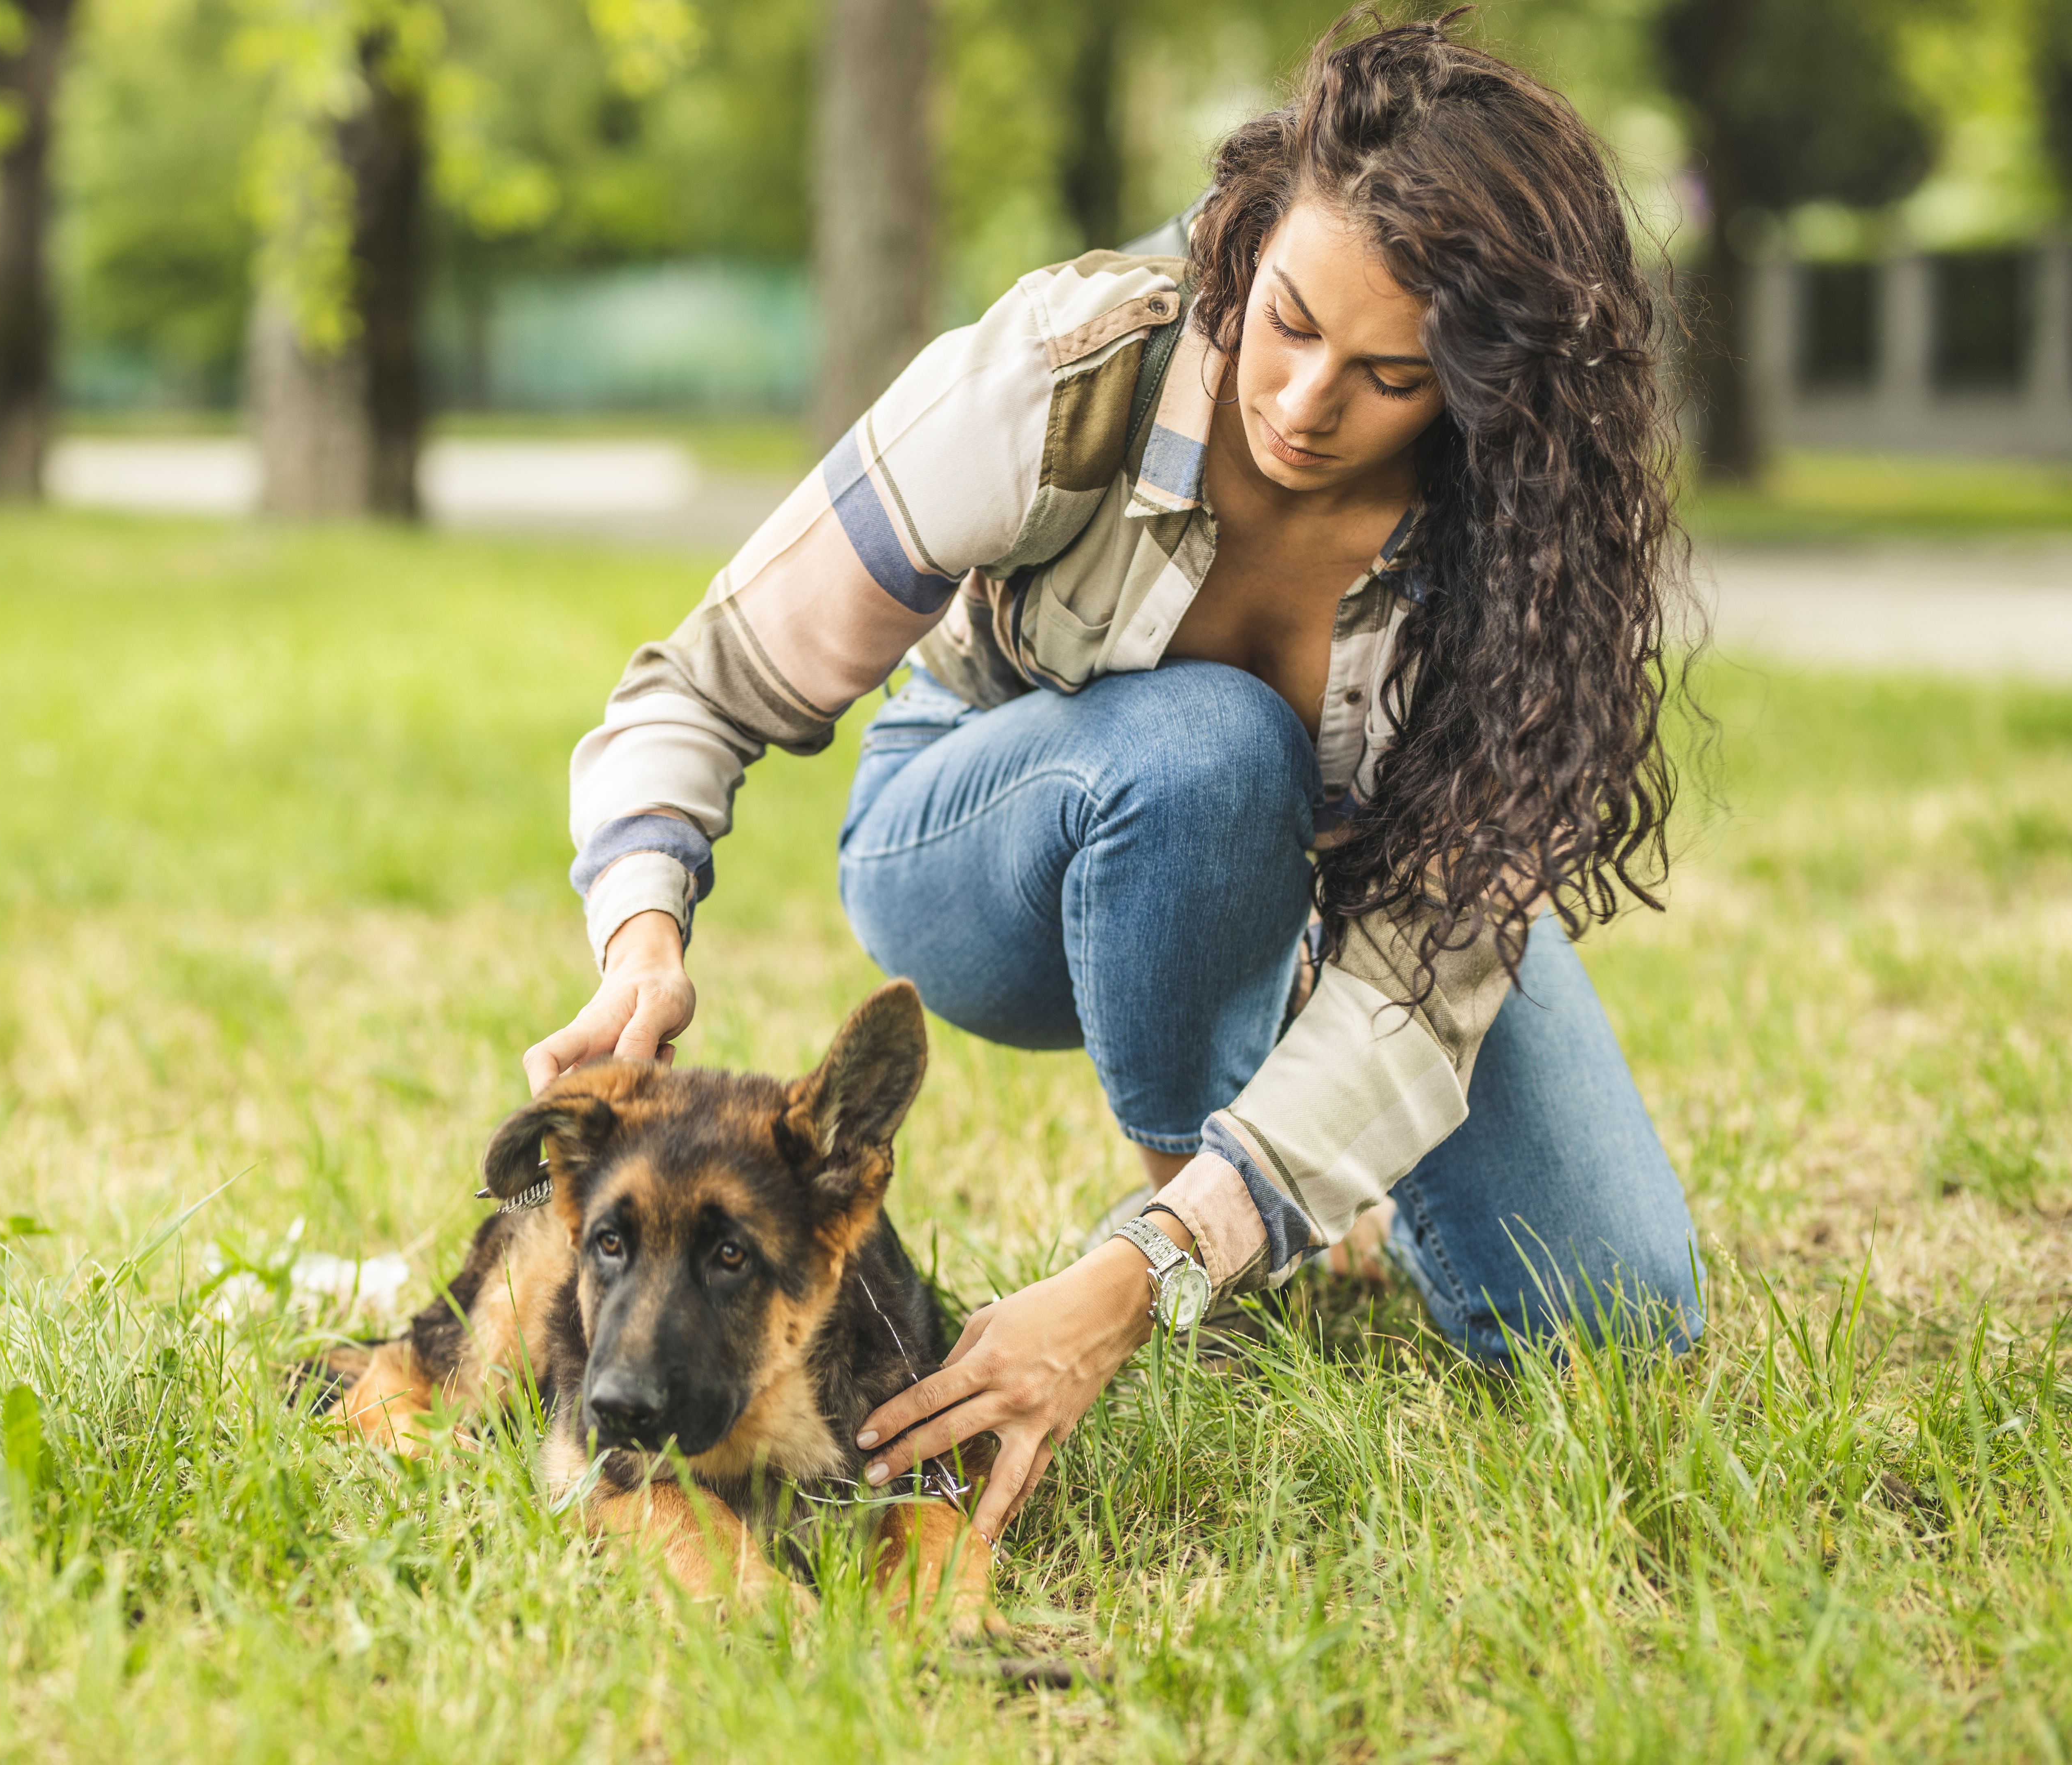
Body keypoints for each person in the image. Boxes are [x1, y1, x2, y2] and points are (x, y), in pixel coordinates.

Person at [522, 15, 1703, 1544]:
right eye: (1288, 323)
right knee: (1212, 744)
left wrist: (1148, 1266)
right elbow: (702, 683)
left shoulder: (1520, 561)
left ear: (1484, 391)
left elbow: (1426, 987)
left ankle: (1256, 1215)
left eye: (1390, 377)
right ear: (1252, 242)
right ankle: (1206, 1242)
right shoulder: (1066, 373)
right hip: (988, 834)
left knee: (1614, 1316)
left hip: (1337, 894)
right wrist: (641, 938)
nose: (1303, 404)